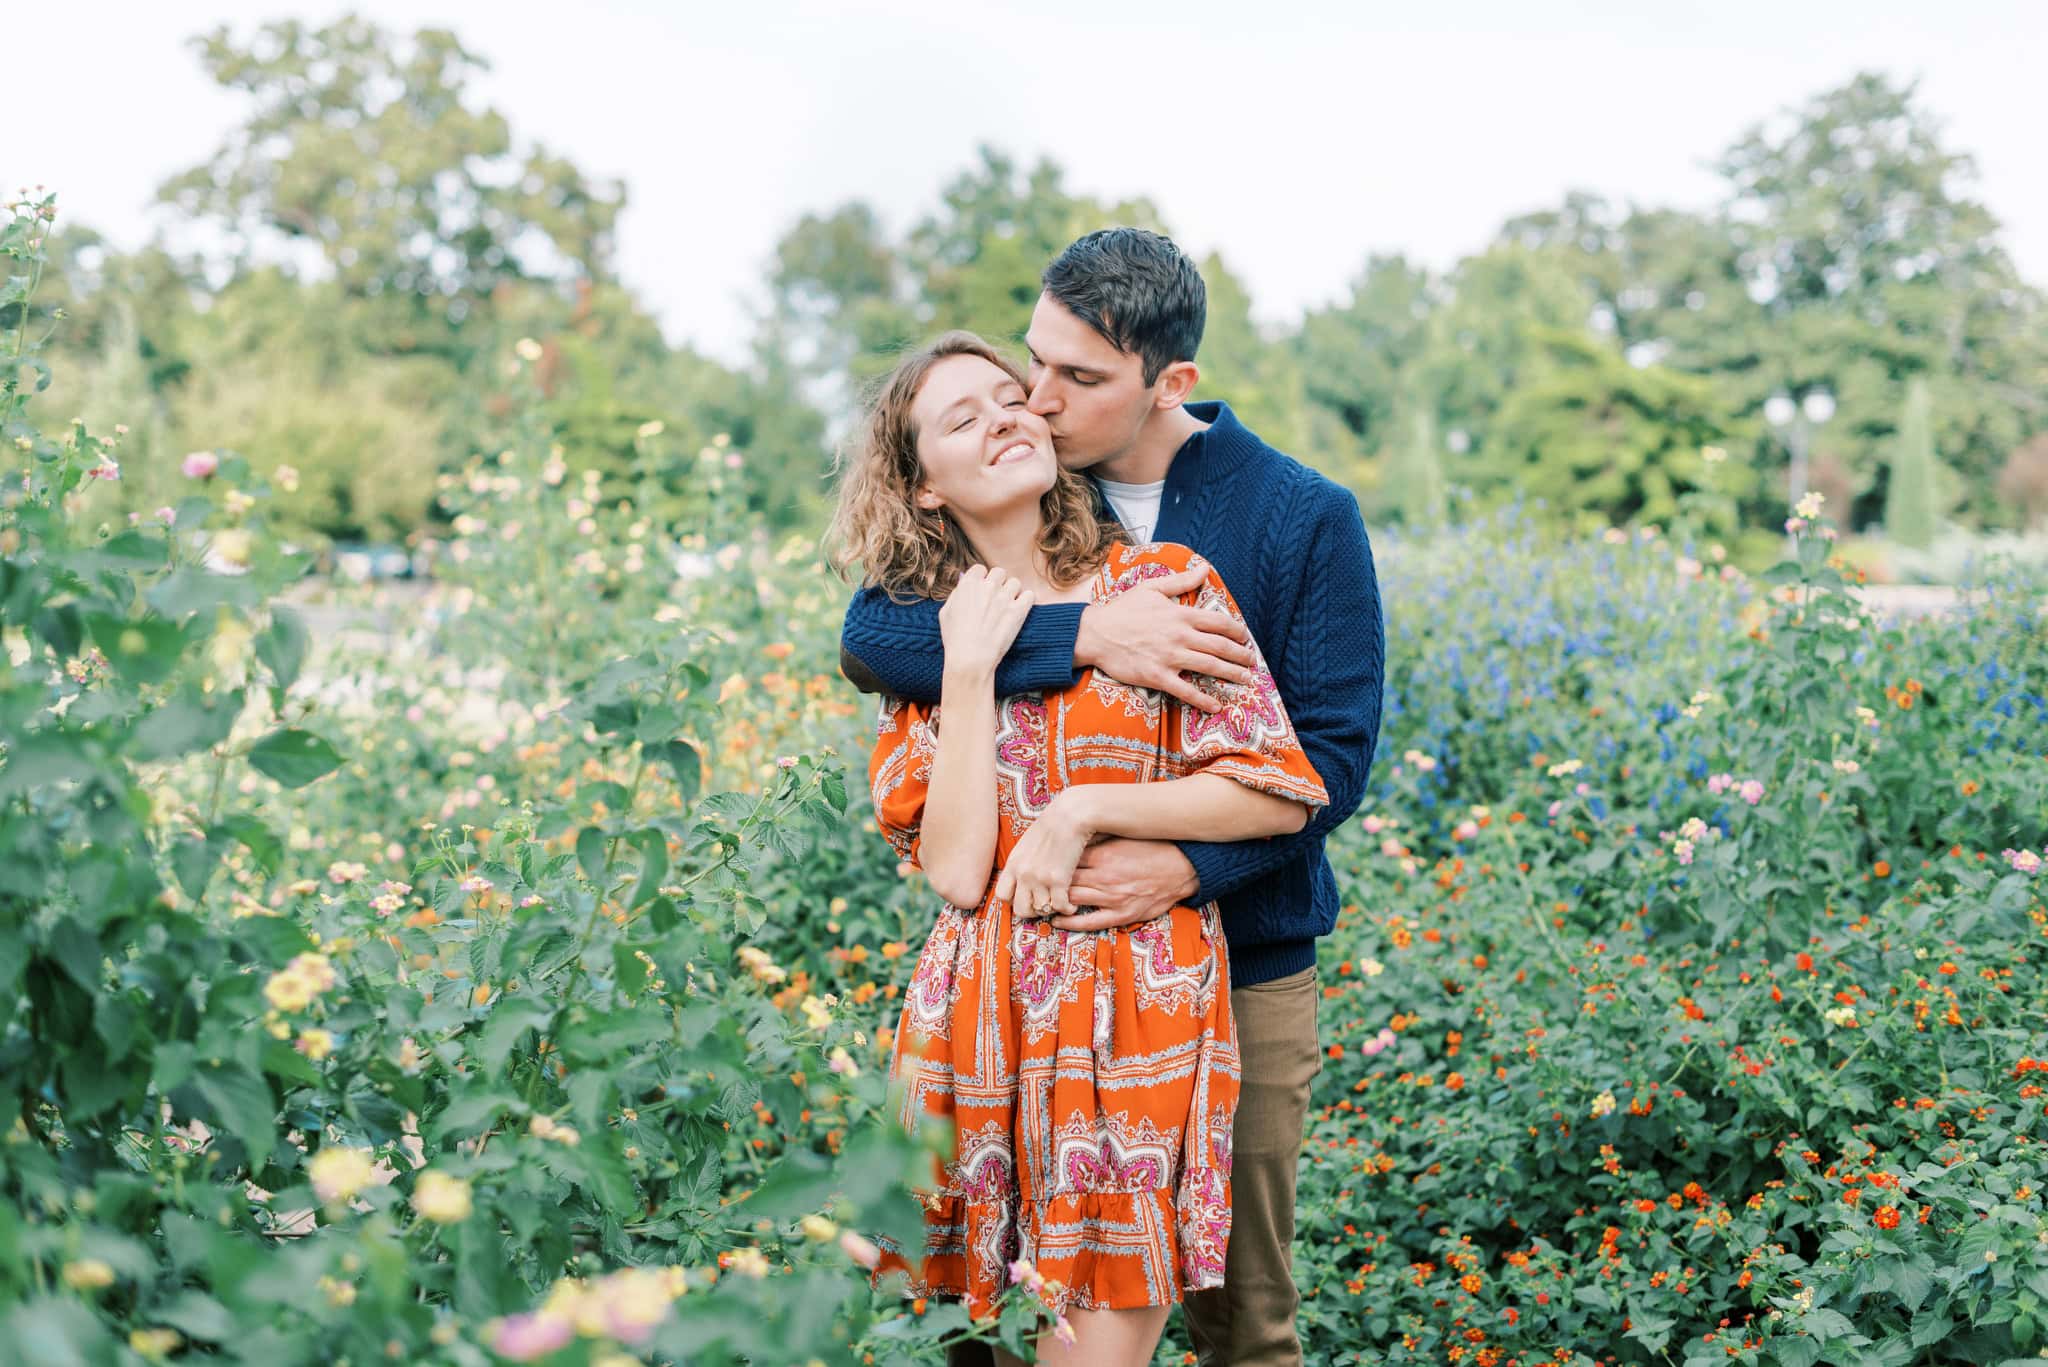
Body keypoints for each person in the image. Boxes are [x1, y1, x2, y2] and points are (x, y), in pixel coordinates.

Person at [840, 228, 1384, 1366]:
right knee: (964, 1319)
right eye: (1026, 366)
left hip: (1213, 968)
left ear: (1166, 383)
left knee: (1240, 1313)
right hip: (992, 1005)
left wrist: (1148, 845)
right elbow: (878, 631)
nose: (1032, 402)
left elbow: (1315, 767)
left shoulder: (1285, 519)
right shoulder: (1018, 495)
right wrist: (1074, 635)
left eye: (1071, 379)